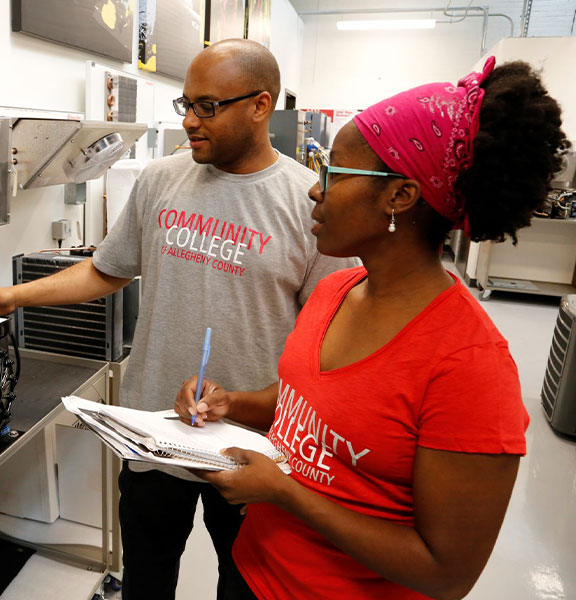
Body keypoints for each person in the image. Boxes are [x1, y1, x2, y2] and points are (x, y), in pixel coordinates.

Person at [0, 39, 354, 599]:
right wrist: (14, 297)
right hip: (152, 431)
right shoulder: (161, 179)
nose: (190, 122)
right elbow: (106, 271)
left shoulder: (309, 203)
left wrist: (265, 408)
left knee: (246, 585)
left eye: (208, 106)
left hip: (250, 446)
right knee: (148, 580)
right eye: (185, 105)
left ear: (260, 105)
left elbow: (330, 345)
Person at [175, 57, 570, 600]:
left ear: (399, 196)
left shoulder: (468, 363)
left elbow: (446, 573)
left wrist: (286, 493)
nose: (315, 191)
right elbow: (304, 405)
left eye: (332, 173)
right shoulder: (338, 292)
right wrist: (232, 403)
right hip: (251, 573)